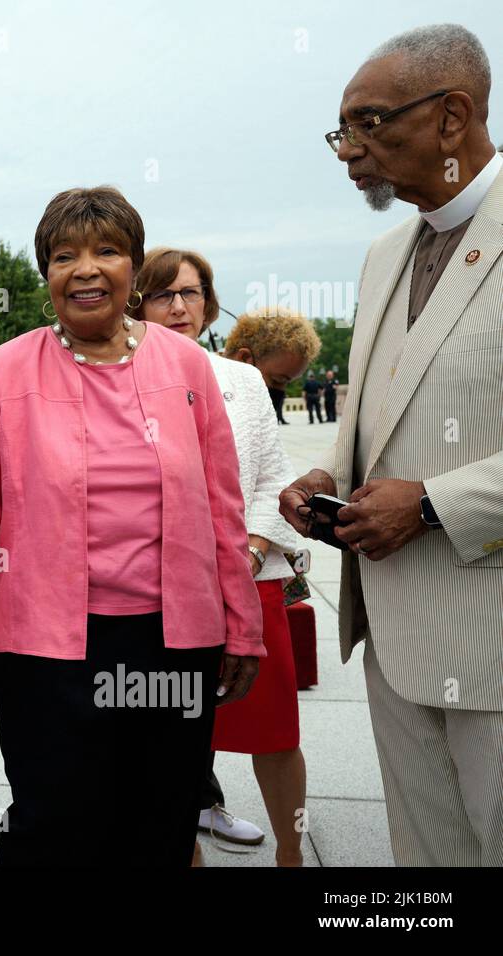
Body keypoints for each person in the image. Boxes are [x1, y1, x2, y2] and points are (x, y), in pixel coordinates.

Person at [0, 187, 264, 867]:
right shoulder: (3, 373)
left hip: (172, 644)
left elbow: (224, 506)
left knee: (162, 822)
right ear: (46, 274)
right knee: (54, 823)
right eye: (64, 255)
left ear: (134, 270)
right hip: (44, 652)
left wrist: (243, 623)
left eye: (106, 250)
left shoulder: (186, 365)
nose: (85, 268)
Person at [284, 24, 503, 866]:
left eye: (370, 124)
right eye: (342, 130)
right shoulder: (384, 254)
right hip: (392, 637)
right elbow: (377, 412)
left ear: (453, 117)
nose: (349, 151)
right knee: (425, 859)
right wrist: (325, 475)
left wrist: (436, 504)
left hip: (486, 633)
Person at [136, 248, 308, 867]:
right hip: (160, 589)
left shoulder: (242, 380)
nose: (179, 307)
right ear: (139, 302)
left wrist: (251, 549)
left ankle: (293, 851)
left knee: (275, 731)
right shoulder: (120, 376)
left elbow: (270, 479)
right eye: (162, 295)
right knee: (169, 740)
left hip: (248, 578)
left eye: (191, 293)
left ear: (208, 302)